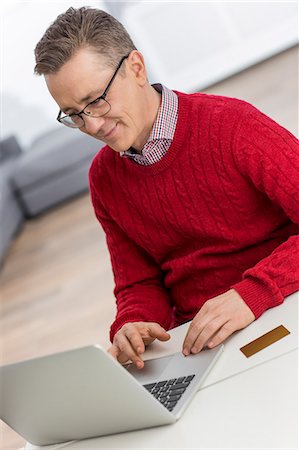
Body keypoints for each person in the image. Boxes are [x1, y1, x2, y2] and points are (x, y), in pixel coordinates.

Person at [34, 6, 299, 369]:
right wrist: (133, 323)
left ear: (137, 69)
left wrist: (252, 293)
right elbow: (139, 282)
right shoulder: (104, 178)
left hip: (279, 310)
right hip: (199, 342)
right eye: (74, 114)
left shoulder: (234, 126)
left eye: (95, 100)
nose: (92, 125)